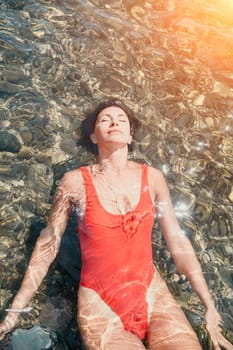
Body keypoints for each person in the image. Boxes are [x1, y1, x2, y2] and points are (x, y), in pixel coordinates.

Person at [0, 99, 232, 350]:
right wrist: (16, 309)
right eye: (105, 119)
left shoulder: (153, 178)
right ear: (93, 136)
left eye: (122, 120)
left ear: (131, 135)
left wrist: (209, 307)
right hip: (100, 304)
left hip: (152, 293)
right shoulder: (74, 183)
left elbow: (177, 241)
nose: (114, 122)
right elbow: (49, 243)